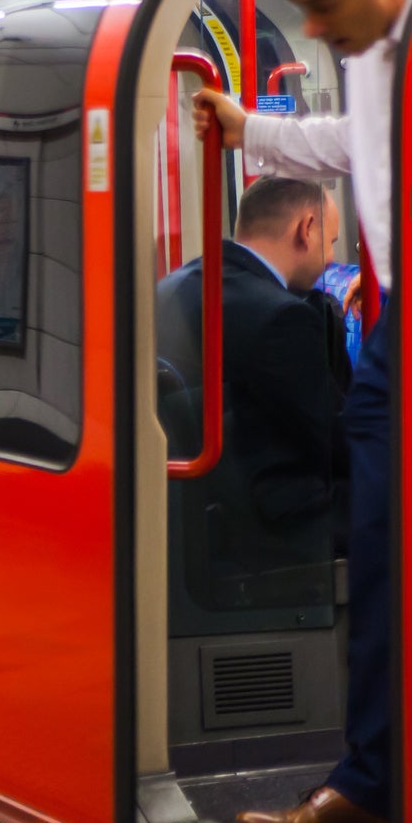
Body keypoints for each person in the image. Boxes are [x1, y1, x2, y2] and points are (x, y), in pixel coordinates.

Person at [196, 0, 412, 823]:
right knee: (381, 545)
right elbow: (349, 146)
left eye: (320, 6)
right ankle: (376, 768)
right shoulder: (373, 56)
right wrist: (251, 131)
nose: (312, 31)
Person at [156, 177, 350, 552]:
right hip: (269, 520)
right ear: (306, 229)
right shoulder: (283, 319)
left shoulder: (174, 286)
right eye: (331, 243)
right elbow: (336, 442)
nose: (330, 260)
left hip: (199, 514)